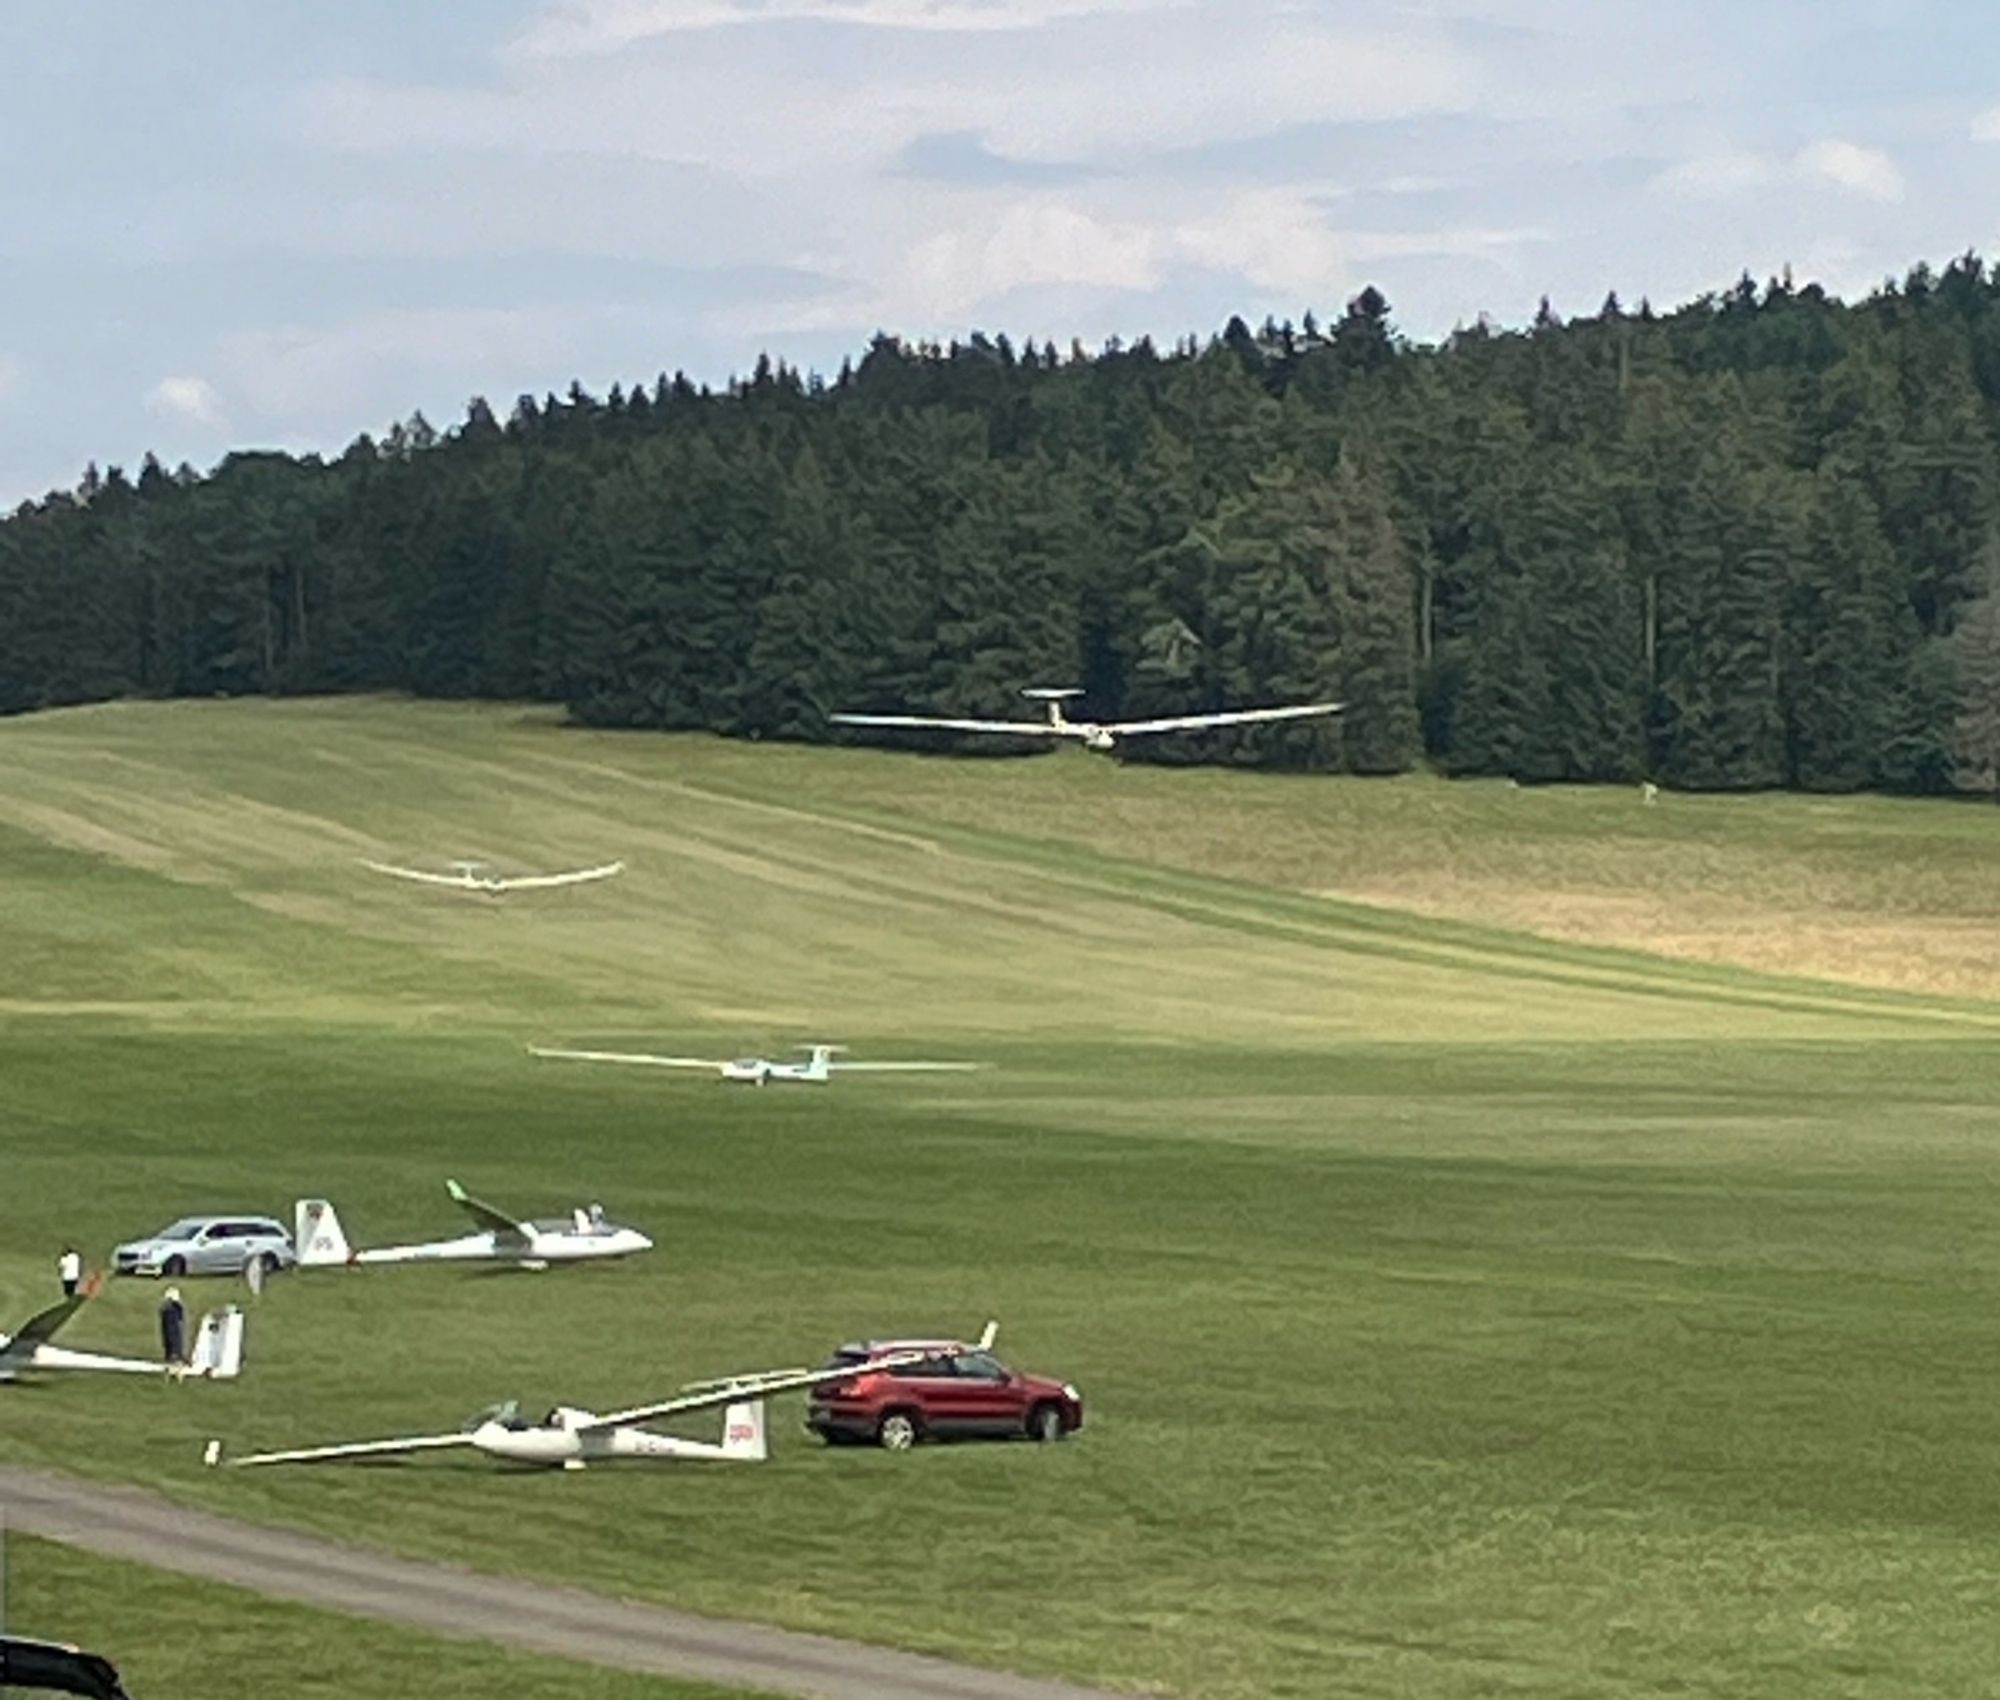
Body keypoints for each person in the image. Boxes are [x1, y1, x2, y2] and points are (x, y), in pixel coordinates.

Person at [158, 1287, 187, 1371]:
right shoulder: (173, 1310)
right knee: (174, 1340)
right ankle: (175, 1357)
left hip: (172, 1335)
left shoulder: (169, 1310)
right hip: (173, 1334)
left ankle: (174, 1357)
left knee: (172, 1340)